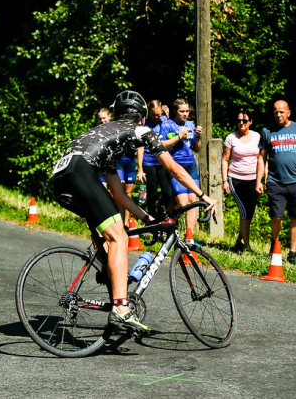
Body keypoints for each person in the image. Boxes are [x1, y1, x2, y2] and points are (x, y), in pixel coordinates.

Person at [52, 90, 217, 333]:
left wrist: (147, 218)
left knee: (108, 242)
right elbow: (174, 169)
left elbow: (119, 194)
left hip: (61, 178)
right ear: (141, 117)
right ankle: (120, 307)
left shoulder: (106, 136)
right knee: (119, 236)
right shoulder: (141, 130)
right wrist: (204, 196)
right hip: (80, 173)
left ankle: (113, 292)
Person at [256, 99, 296, 265]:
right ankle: (275, 246)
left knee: (295, 217)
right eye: (276, 111)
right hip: (275, 181)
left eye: (282, 111)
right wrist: (259, 180)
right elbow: (261, 157)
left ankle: (292, 252)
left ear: (288, 113)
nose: (278, 114)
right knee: (277, 216)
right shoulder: (267, 130)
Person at [222, 107, 260, 253]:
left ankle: (240, 241)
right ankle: (246, 245)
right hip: (236, 178)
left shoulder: (257, 136)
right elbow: (225, 160)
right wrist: (225, 180)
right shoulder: (231, 138)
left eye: (244, 121)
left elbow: (262, 159)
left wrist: (264, 177)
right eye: (239, 121)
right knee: (243, 210)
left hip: (253, 178)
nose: (241, 123)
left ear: (250, 121)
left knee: (250, 210)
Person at [164, 99, 203, 234]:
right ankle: (168, 222)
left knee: (192, 200)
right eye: (182, 111)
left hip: (190, 165)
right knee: (182, 201)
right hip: (175, 165)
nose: (185, 114)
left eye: (187, 111)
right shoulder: (167, 125)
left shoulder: (190, 124)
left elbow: (197, 149)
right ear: (175, 111)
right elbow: (162, 146)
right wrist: (178, 137)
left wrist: (197, 137)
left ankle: (189, 234)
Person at [139, 100, 174, 217]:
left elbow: (172, 132)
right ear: (149, 113)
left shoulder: (165, 120)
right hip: (149, 161)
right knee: (152, 193)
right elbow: (140, 147)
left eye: (159, 114)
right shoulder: (145, 124)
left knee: (168, 193)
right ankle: (151, 219)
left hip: (162, 160)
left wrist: (168, 116)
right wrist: (140, 168)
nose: (157, 117)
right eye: (154, 115)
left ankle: (161, 214)